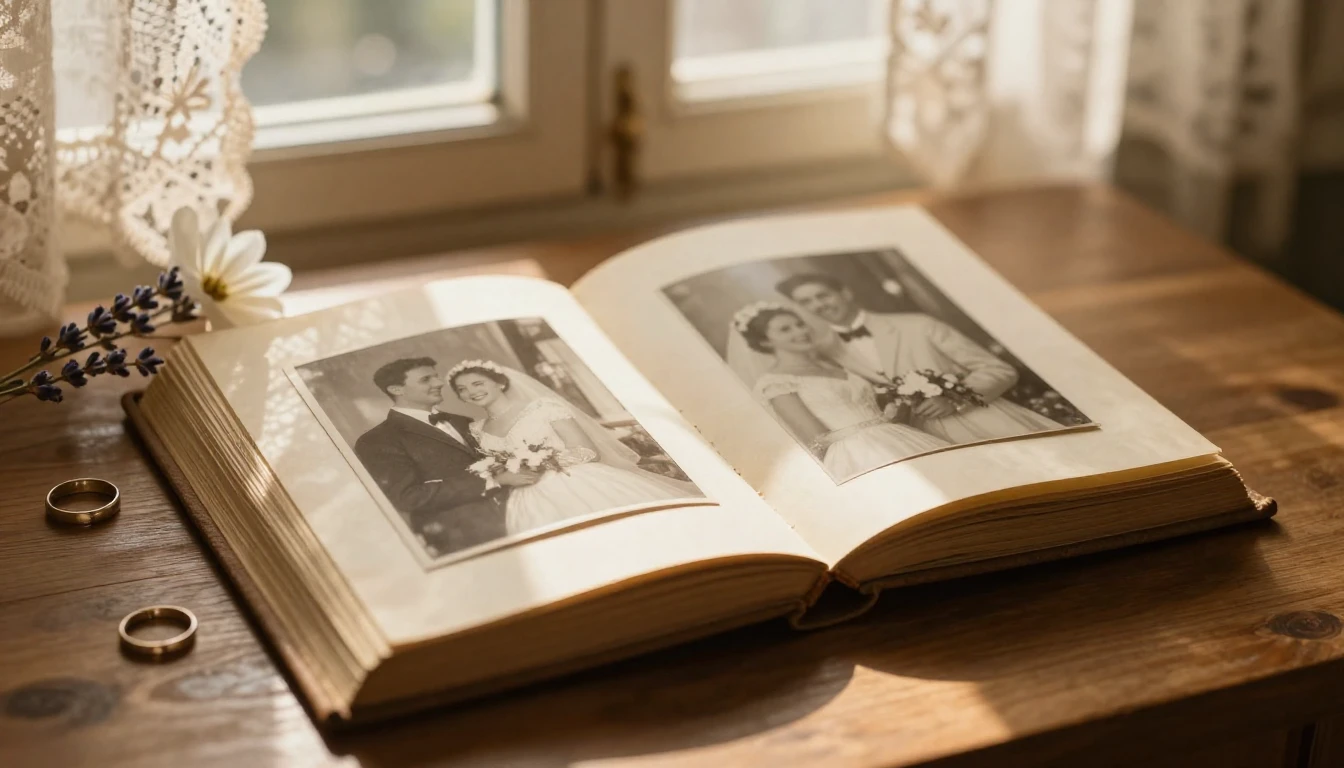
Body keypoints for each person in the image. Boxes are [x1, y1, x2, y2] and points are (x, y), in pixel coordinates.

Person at [776, 273, 1062, 445]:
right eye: (806, 302)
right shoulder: (824, 353)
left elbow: (998, 369)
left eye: (822, 295)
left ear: (844, 293)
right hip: (922, 440)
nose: (818, 305)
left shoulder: (916, 324)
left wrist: (954, 399)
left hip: (985, 421)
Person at [448, 360, 699, 536]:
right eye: (462, 390)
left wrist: (540, 463)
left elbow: (588, 450)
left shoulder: (542, 407)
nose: (471, 392)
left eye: (478, 383)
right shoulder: (476, 429)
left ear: (499, 383)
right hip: (526, 497)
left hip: (576, 482)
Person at [727, 303, 950, 481]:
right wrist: (873, 429)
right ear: (765, 342)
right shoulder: (776, 383)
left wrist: (893, 414)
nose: (801, 331)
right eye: (785, 329)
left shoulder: (835, 363)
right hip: (855, 455)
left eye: (799, 324)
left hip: (900, 436)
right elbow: (816, 439)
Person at [353, 357, 536, 559]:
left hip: (520, 516)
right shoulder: (377, 440)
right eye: (426, 379)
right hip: (464, 538)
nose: (439, 383)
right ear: (397, 389)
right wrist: (493, 480)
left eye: (436, 377)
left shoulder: (464, 421)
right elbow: (407, 497)